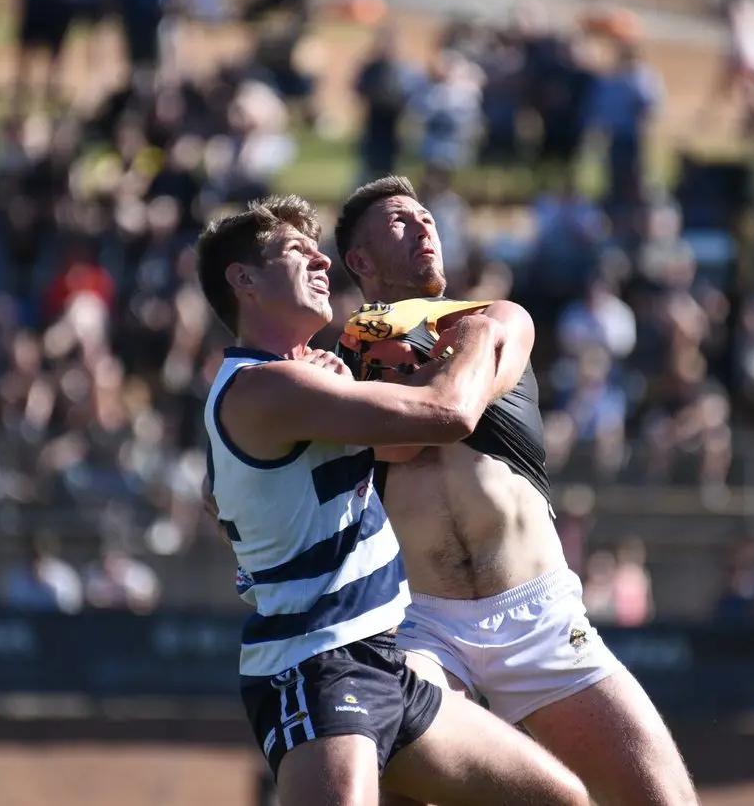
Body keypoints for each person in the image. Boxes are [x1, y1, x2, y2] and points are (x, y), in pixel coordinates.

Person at [195, 195, 588, 806]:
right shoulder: (268, 386)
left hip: (385, 662)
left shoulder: (296, 379)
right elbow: (448, 413)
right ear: (244, 280)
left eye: (319, 250)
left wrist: (339, 379)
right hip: (318, 665)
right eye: (298, 251)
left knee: (559, 799)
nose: (322, 262)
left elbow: (222, 496)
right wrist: (482, 332)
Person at [333, 177, 698, 806]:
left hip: (540, 616)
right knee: (392, 787)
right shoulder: (339, 360)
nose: (424, 227)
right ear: (359, 261)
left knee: (662, 798)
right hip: (421, 625)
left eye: (427, 218)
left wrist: (363, 403)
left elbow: (451, 410)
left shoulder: (497, 319)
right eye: (399, 221)